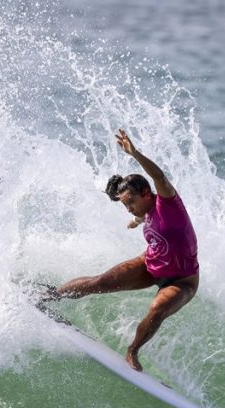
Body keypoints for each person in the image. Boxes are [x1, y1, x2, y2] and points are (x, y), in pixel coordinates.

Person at [50, 128, 200, 372]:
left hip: (182, 280)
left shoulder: (168, 202)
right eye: (125, 205)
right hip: (151, 266)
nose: (129, 208)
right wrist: (135, 221)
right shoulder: (145, 211)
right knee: (101, 281)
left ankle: (132, 351)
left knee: (157, 309)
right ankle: (51, 295)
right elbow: (144, 218)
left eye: (131, 202)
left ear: (146, 194)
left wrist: (135, 153)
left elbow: (159, 177)